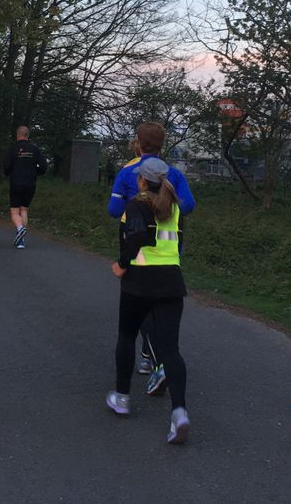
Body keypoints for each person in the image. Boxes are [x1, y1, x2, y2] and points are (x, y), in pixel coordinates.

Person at [106, 157, 191, 444]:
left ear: (142, 180)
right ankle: (179, 412)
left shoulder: (136, 205)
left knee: (127, 336)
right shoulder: (175, 207)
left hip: (139, 282)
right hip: (171, 281)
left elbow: (137, 235)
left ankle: (121, 397)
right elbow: (177, 243)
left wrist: (122, 263)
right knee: (171, 350)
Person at [109, 124, 195, 394]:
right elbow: (188, 205)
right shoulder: (172, 173)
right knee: (162, 306)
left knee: (137, 305)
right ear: (162, 144)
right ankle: (151, 358)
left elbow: (113, 210)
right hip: (169, 249)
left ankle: (148, 364)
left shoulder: (126, 171)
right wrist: (165, 208)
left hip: (136, 247)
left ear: (138, 143)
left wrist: (137, 207)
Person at [3, 126, 47, 249]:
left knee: (14, 211)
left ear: (18, 135)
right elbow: (43, 166)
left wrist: (11, 173)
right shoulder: (35, 149)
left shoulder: (13, 149)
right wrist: (34, 172)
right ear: (28, 135)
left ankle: (20, 228)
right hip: (30, 183)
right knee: (24, 210)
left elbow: (6, 167)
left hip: (16, 182)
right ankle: (21, 240)